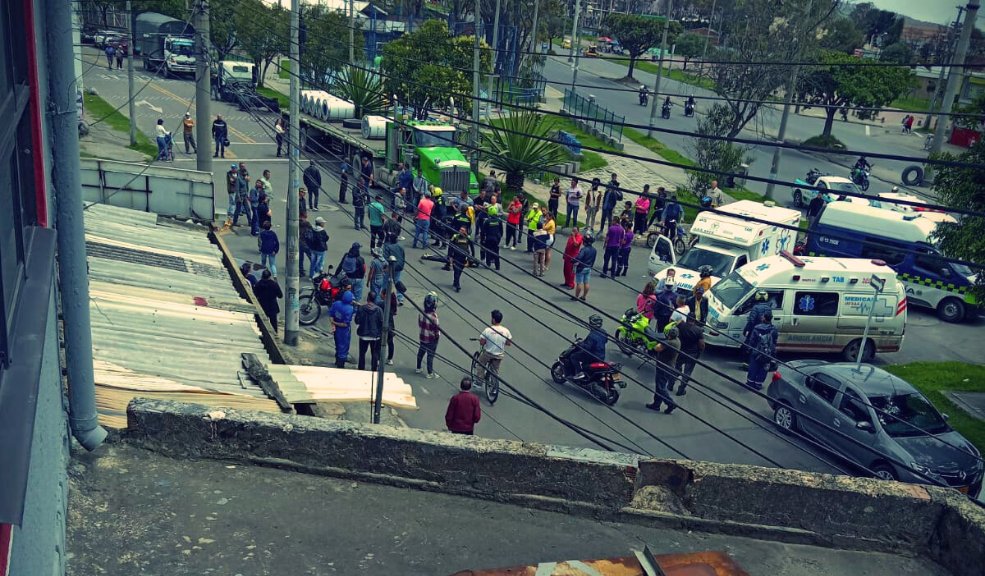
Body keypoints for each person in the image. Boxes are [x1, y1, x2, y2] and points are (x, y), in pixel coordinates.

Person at [646, 325, 680, 414]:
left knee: (661, 387)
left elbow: (657, 348)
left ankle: (670, 403)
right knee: (659, 386)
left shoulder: (669, 343)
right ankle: (656, 404)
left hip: (664, 367)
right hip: (668, 366)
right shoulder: (677, 341)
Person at [673, 314, 704, 396]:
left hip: (680, 351)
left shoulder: (681, 325)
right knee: (687, 373)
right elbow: (702, 345)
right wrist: (700, 352)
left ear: (687, 319)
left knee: (676, 368)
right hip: (692, 354)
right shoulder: (698, 330)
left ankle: (670, 384)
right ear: (695, 320)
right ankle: (681, 389)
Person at [477, 310, 512, 383]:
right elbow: (509, 343)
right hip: (499, 355)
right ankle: (493, 386)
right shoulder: (506, 331)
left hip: (488, 354)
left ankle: (479, 382)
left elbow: (482, 342)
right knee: (495, 372)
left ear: (493, 319)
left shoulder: (488, 330)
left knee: (480, 364)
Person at [746, 311, 778, 391]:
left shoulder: (757, 328)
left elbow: (752, 340)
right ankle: (758, 383)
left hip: (757, 351)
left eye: (763, 316)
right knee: (763, 368)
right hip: (767, 353)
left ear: (764, 318)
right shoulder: (773, 329)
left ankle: (750, 382)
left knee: (754, 366)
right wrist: (773, 353)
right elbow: (774, 342)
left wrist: (749, 348)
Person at [355, 292, 384, 371]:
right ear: (375, 299)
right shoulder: (379, 310)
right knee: (375, 354)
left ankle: (361, 369)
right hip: (375, 336)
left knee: (362, 353)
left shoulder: (361, 308)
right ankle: (374, 370)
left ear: (368, 298)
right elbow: (382, 323)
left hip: (363, 335)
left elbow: (357, 321)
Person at [416, 293, 440, 378]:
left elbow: (419, 323)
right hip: (431, 339)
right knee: (430, 355)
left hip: (422, 337)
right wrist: (437, 337)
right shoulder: (434, 317)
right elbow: (436, 330)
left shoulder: (421, 313)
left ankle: (418, 367)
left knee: (421, 352)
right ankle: (430, 373)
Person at [329, 291, 355, 368]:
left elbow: (331, 315)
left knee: (338, 345)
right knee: (343, 348)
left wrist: (333, 324)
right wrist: (335, 323)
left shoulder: (336, 304)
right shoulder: (349, 309)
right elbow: (345, 324)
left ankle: (337, 361)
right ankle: (340, 365)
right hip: (343, 332)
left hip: (336, 330)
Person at [381, 226, 406, 304]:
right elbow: (403, 257)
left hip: (390, 267)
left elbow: (384, 259)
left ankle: (384, 296)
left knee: (385, 281)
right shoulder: (401, 247)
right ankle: (400, 298)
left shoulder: (388, 247)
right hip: (399, 267)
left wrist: (384, 268)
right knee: (397, 281)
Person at [573, 234, 597, 302]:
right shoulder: (594, 250)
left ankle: (576, 297)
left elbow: (579, 257)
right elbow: (593, 259)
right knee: (586, 283)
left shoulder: (584, 249)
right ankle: (584, 296)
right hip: (588, 268)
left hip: (581, 268)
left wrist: (573, 260)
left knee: (579, 283)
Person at [448, 226, 471, 292]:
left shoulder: (467, 238)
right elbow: (450, 246)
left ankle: (455, 282)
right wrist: (450, 256)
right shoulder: (455, 236)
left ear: (465, 231)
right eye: (460, 229)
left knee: (459, 271)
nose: (461, 231)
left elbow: (471, 248)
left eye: (463, 230)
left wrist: (469, 260)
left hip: (464, 258)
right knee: (457, 271)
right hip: (456, 257)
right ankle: (457, 285)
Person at [481, 205, 504, 270]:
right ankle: (497, 266)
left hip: (488, 238)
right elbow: (501, 231)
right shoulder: (499, 221)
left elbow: (483, 232)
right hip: (496, 239)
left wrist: (482, 240)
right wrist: (499, 238)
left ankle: (488, 264)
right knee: (496, 252)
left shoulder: (487, 221)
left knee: (488, 251)